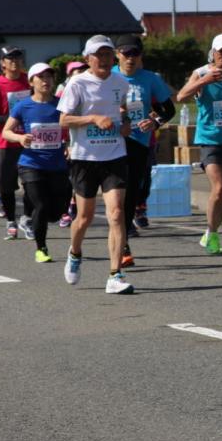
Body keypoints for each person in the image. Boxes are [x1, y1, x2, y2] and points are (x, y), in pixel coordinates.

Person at [57, 35, 134, 294]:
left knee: (116, 213)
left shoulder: (121, 83)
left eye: (107, 54)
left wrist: (125, 124)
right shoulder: (77, 83)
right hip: (84, 158)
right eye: (98, 55)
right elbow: (64, 121)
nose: (103, 59)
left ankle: (115, 274)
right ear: (87, 58)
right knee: (85, 217)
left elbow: (123, 110)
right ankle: (75, 253)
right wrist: (93, 119)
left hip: (114, 154)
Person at [176, 35, 222, 264]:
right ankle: (211, 232)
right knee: (218, 188)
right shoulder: (200, 72)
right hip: (209, 140)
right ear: (213, 54)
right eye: (221, 54)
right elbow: (181, 95)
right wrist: (203, 81)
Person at [112, 34, 175, 264]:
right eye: (126, 53)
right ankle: (121, 244)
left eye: (135, 53)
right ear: (117, 54)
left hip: (138, 142)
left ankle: (124, 241)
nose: (130, 58)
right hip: (110, 143)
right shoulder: (108, 77)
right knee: (116, 195)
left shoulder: (150, 79)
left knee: (130, 195)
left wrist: (155, 122)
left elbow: (169, 109)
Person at [3, 63, 71, 264]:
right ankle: (41, 248)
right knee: (40, 204)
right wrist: (20, 138)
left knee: (56, 212)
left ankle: (47, 218)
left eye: (49, 76)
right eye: (40, 77)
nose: (45, 80)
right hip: (31, 164)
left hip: (57, 165)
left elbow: (71, 128)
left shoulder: (61, 105)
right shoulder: (23, 106)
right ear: (32, 81)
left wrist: (68, 143)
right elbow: (7, 131)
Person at [0, 46, 33, 240]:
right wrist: (9, 120)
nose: (14, 61)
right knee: (6, 185)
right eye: (10, 58)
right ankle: (11, 220)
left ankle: (27, 218)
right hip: (5, 141)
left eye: (18, 57)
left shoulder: (29, 80)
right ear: (2, 62)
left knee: (32, 183)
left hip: (29, 139)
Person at [56, 61, 89, 228]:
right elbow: (61, 120)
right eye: (77, 72)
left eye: (84, 71)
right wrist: (65, 143)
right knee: (67, 179)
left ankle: (72, 206)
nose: (81, 74)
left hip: (86, 143)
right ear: (69, 75)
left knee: (77, 179)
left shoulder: (91, 89)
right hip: (68, 141)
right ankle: (66, 208)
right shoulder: (63, 91)